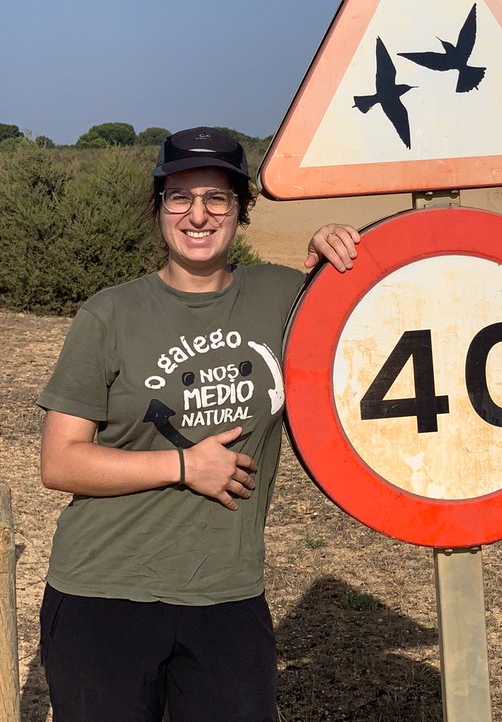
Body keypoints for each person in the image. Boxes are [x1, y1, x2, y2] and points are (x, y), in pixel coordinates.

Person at [38, 126, 360, 722]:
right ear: (159, 210)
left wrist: (336, 246)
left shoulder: (284, 298)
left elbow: (379, 302)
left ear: (241, 211)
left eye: (217, 198)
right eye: (179, 197)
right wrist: (184, 466)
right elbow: (60, 462)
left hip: (226, 594)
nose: (198, 215)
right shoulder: (110, 314)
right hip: (102, 595)